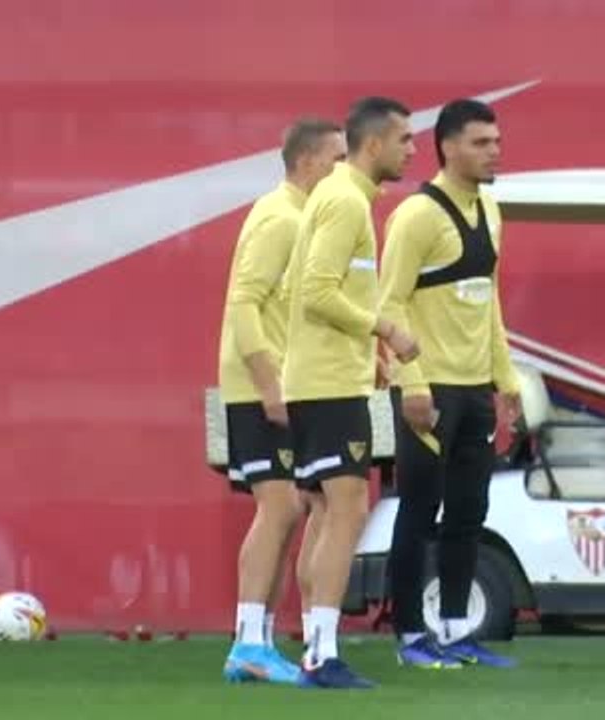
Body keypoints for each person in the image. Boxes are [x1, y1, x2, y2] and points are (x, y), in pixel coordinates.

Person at [377, 99, 523, 670]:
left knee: (469, 513)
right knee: (418, 511)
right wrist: (410, 384)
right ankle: (411, 637)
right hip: (428, 389)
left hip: (473, 390)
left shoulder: (491, 209)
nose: (495, 151)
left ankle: (457, 630)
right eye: (482, 143)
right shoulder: (416, 216)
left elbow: (489, 307)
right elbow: (386, 304)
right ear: (448, 147)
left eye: (496, 141)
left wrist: (505, 381)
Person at [282, 96, 420, 689]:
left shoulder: (339, 199)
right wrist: (384, 327)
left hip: (327, 379)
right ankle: (319, 653)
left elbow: (307, 287)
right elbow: (314, 291)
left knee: (328, 514)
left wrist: (370, 354)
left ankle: (316, 647)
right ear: (374, 145)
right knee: (346, 511)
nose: (412, 150)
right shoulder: (344, 202)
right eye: (406, 140)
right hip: (326, 386)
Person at [218, 118, 346, 684]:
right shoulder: (280, 218)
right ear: (309, 162)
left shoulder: (304, 219)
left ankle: (259, 639)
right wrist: (269, 384)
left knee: (297, 508)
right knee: (281, 508)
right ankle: (248, 641)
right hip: (257, 386)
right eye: (338, 159)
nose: (344, 170)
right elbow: (243, 305)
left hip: (282, 383)